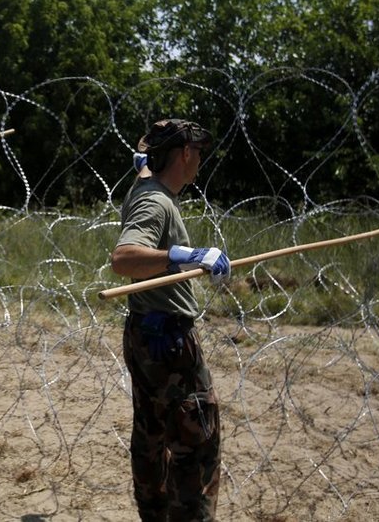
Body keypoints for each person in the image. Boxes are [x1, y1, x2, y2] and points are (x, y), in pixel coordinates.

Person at [110, 118, 231, 521]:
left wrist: (144, 161)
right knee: (196, 443)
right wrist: (185, 255)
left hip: (146, 332)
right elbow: (124, 259)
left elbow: (145, 163)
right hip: (170, 343)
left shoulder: (147, 184)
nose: (199, 159)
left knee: (152, 433)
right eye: (197, 151)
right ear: (184, 154)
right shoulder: (155, 201)